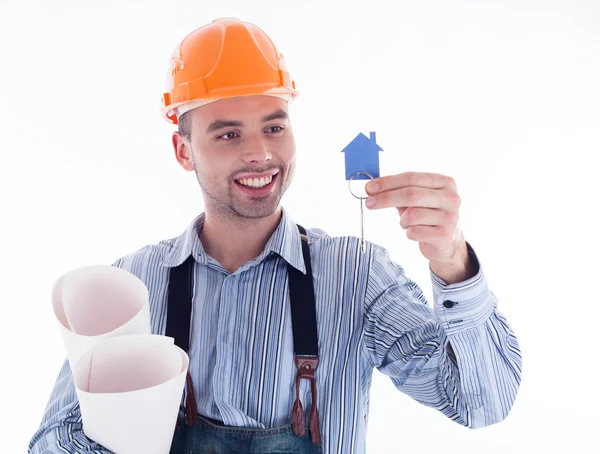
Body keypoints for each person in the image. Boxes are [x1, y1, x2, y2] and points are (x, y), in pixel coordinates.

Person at [28, 17, 522, 454]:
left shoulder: (356, 277)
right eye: (228, 134)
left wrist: (453, 262)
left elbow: (481, 403)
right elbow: (56, 438)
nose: (259, 153)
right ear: (184, 152)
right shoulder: (134, 284)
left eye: (274, 127)